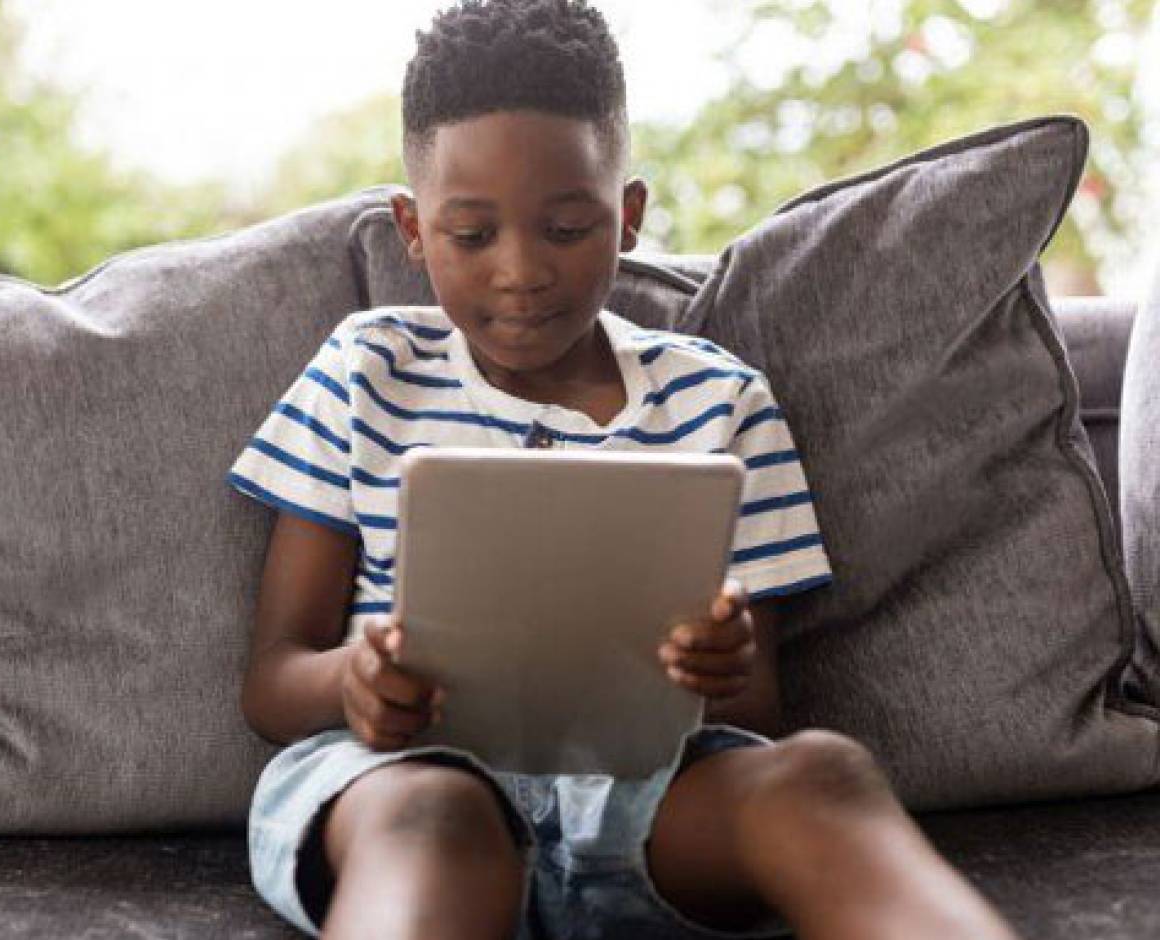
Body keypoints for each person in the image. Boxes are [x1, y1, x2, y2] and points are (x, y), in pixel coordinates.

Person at [226, 2, 1020, 938]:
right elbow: (273, 679)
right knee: (434, 818)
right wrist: (352, 679)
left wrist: (714, 670)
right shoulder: (368, 372)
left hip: (649, 802)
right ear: (412, 228)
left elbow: (755, 706)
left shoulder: (719, 404)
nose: (521, 271)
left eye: (565, 228)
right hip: (402, 784)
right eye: (472, 236)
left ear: (629, 215)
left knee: (823, 772)